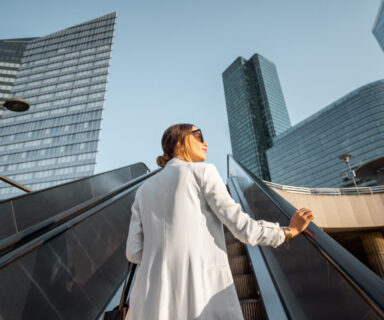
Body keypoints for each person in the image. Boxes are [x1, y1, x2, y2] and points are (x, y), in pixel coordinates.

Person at [125, 123, 314, 320]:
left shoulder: (143, 191)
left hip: (147, 301)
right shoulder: (203, 171)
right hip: (197, 292)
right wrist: (288, 231)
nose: (205, 142)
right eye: (198, 135)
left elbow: (133, 252)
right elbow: (243, 229)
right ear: (179, 143)